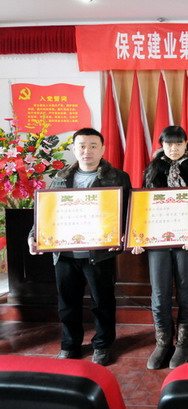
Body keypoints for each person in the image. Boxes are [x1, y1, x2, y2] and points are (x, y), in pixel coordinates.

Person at [27, 128, 132, 366]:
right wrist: (34, 235)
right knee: (67, 303)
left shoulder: (118, 177)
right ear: (74, 149)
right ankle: (70, 345)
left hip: (100, 252)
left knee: (102, 302)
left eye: (93, 146)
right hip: (64, 253)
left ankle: (103, 345)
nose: (87, 151)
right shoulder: (60, 177)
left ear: (102, 149)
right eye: (82, 146)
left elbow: (128, 211)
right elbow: (45, 211)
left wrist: (126, 234)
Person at [131, 126, 188, 369]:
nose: (173, 148)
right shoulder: (153, 168)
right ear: (162, 145)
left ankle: (184, 343)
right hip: (158, 240)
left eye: (178, 143)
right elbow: (143, 205)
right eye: (168, 144)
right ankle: (163, 342)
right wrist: (138, 237)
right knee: (159, 293)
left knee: (185, 290)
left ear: (186, 144)